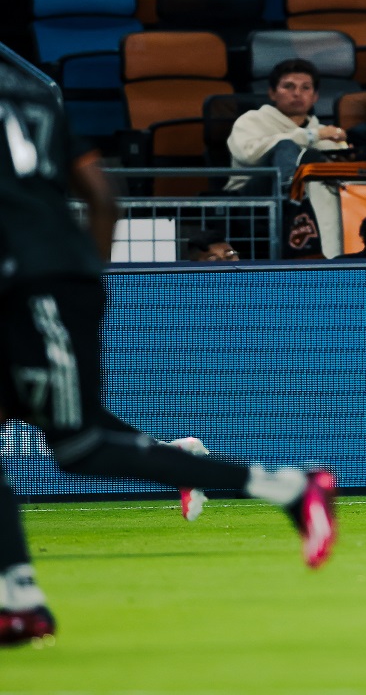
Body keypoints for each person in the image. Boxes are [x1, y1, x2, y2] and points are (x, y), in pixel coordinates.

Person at [0, 65, 337, 646]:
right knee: (70, 429)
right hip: (54, 280)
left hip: (33, 284)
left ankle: (286, 487)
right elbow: (100, 192)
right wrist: (92, 280)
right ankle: (19, 597)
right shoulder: (33, 97)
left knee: (78, 445)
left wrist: (70, 285)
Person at [225, 58, 349, 194]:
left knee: (316, 156)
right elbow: (249, 156)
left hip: (315, 198)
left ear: (315, 97)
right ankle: (290, 193)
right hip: (252, 201)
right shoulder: (251, 120)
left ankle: (296, 199)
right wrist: (312, 136)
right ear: (272, 93)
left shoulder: (322, 131)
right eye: (288, 86)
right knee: (285, 146)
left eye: (306, 88)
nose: (297, 93)